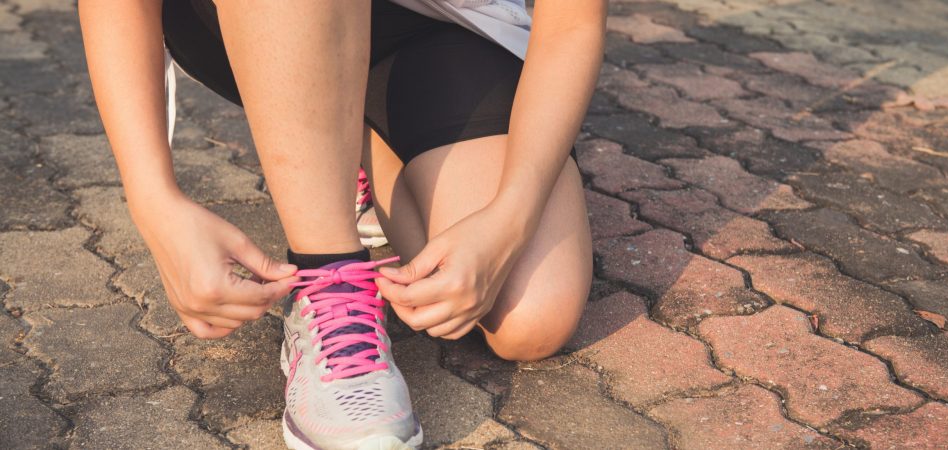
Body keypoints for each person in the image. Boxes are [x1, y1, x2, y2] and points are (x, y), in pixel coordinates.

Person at [79, 0, 605, 448]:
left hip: (442, 26)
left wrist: (508, 220)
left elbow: (573, 23)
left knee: (529, 317)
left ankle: (346, 134)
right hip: (262, 18)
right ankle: (328, 277)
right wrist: (154, 201)